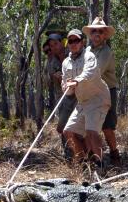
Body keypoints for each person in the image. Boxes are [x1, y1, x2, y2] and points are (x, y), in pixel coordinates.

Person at [61, 29, 111, 167]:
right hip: (82, 101)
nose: (73, 44)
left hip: (98, 99)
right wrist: (67, 88)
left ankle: (100, 165)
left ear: (82, 42)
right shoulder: (66, 63)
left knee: (91, 132)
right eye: (70, 41)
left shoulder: (89, 56)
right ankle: (84, 164)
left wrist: (76, 81)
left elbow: (89, 73)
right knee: (68, 131)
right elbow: (66, 87)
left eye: (76, 40)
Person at [83, 17, 121, 165]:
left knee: (107, 126)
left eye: (100, 31)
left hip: (107, 91)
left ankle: (114, 154)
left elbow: (96, 72)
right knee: (89, 126)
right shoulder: (86, 51)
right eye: (93, 31)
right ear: (90, 35)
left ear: (105, 35)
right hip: (90, 92)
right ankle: (93, 158)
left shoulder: (106, 52)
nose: (97, 34)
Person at [45, 33, 76, 159]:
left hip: (77, 96)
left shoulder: (72, 55)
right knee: (62, 127)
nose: (53, 48)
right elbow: (48, 82)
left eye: (56, 44)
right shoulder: (51, 62)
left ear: (62, 43)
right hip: (62, 97)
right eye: (51, 46)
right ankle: (68, 154)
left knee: (76, 126)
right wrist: (55, 77)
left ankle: (82, 154)